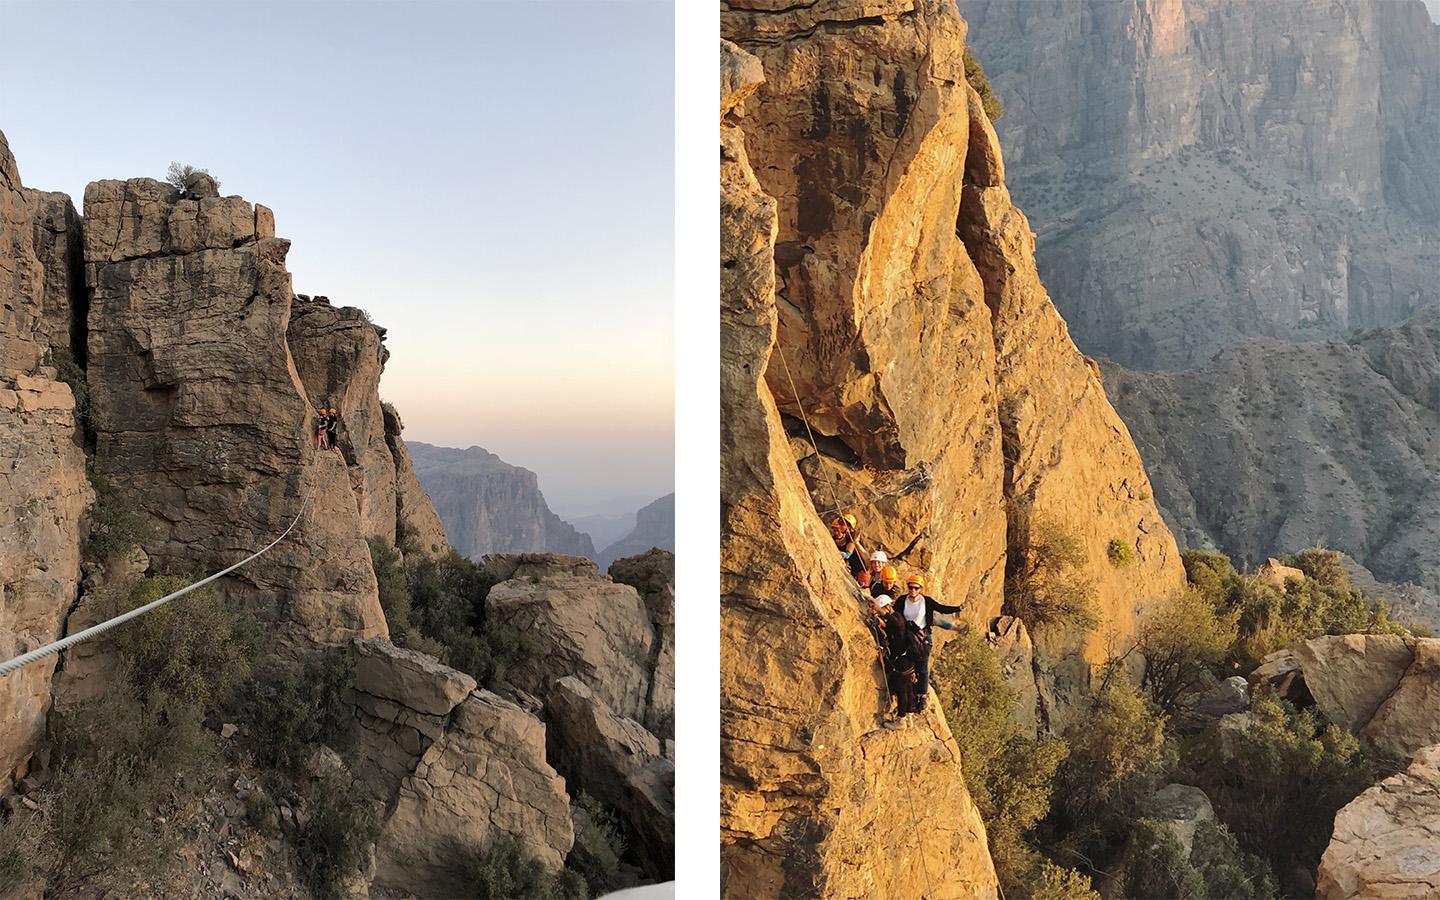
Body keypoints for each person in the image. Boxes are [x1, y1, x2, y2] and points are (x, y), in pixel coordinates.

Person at [899, 574, 963, 711]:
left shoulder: (926, 601)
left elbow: (941, 608)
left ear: (921, 588)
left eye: (916, 588)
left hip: (923, 638)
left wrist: (958, 608)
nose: (913, 590)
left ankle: (922, 696)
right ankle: (914, 695)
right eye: (910, 587)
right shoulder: (902, 601)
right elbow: (895, 614)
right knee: (912, 668)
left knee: (922, 668)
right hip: (909, 638)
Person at [868, 593, 918, 728]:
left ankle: (901, 720)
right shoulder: (897, 618)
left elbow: (894, 623)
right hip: (907, 658)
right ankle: (909, 716)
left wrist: (879, 610)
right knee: (908, 689)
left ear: (888, 607)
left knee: (902, 690)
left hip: (902, 660)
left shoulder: (897, 619)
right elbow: (892, 634)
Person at [830, 514, 866, 579]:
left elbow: (851, 545)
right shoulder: (846, 535)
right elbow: (840, 542)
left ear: (849, 526)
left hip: (861, 569)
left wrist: (846, 554)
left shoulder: (853, 534)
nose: (840, 526)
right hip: (853, 567)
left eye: (842, 524)